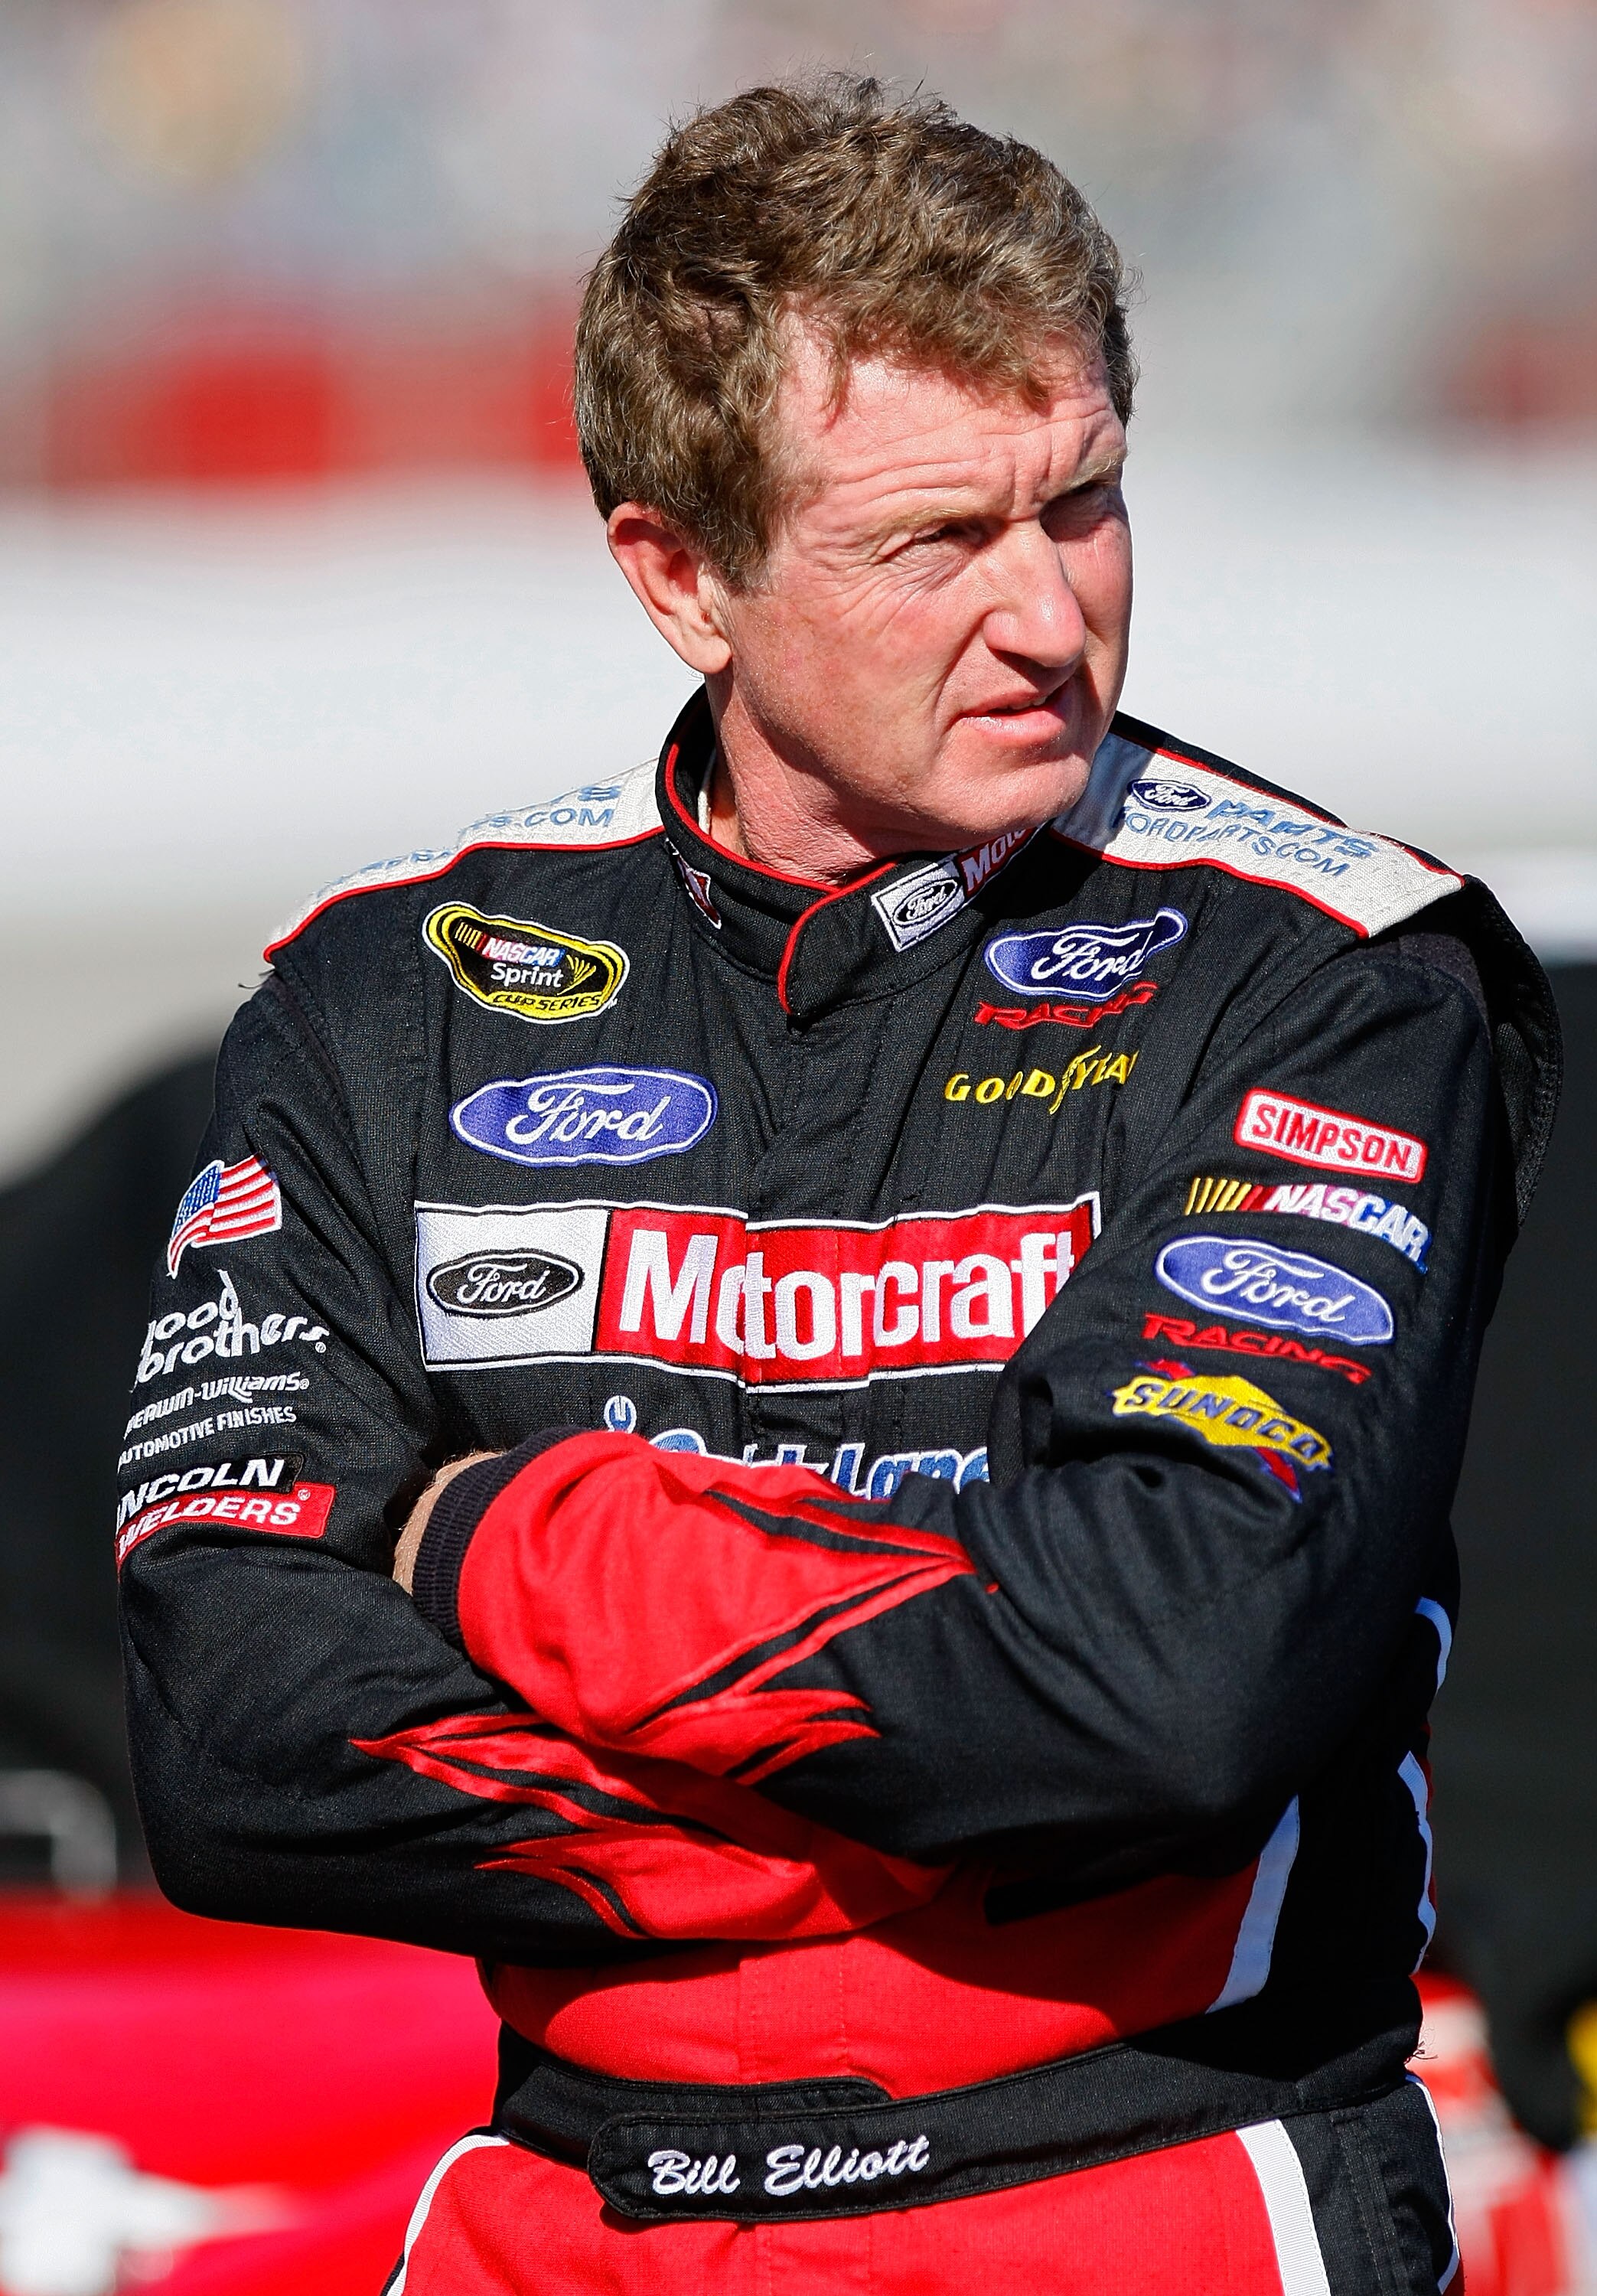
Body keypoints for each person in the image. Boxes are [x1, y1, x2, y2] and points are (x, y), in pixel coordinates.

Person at [116, 74, 1559, 2295]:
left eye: (1081, 502)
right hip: (570, 2213)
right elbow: (234, 1737)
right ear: (679, 575)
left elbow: (1172, 1686)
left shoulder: (1330, 976)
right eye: (931, 543)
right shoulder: (387, 998)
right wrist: (945, 1824)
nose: (1047, 616)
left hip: (1152, 2194)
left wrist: (501, 1537)